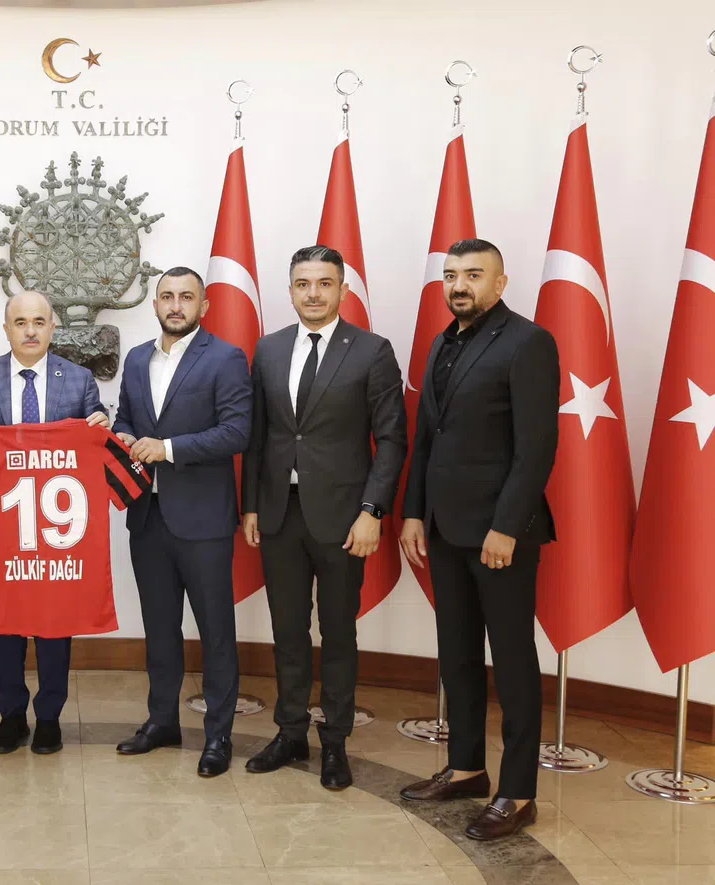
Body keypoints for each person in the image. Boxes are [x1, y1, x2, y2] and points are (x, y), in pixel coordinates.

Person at [398, 238, 560, 841]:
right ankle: (466, 767)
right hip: (443, 528)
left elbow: (536, 447)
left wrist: (506, 526)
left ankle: (517, 792)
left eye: (472, 274)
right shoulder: (443, 342)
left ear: (500, 282)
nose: (459, 285)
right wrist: (413, 513)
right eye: (450, 275)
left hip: (500, 534)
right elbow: (427, 439)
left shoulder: (528, 342)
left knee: (512, 660)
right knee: (457, 653)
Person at [241, 245, 406, 789]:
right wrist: (250, 505)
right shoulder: (268, 349)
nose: (313, 294)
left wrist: (372, 510)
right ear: (291, 290)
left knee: (337, 633)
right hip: (279, 514)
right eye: (303, 284)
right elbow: (260, 435)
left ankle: (335, 741)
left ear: (342, 290)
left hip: (344, 518)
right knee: (288, 631)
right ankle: (290, 733)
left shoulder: (372, 351)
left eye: (324, 283)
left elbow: (391, 439)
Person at [0, 290, 108, 755]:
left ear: (53, 327)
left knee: (55, 625)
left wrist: (101, 429)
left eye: (38, 322)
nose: (30, 331)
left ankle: (50, 716)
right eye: (20, 322)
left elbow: (96, 445)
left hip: (56, 533)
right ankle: (11, 715)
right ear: (7, 329)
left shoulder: (78, 380)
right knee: (5, 625)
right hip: (0, 531)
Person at [110, 266, 252, 778]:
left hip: (204, 520)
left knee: (215, 632)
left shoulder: (226, 358)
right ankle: (162, 722)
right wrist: (125, 436)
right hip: (147, 517)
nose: (175, 305)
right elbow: (126, 418)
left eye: (186, 297)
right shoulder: (136, 358)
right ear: (155, 304)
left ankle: (218, 735)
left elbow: (237, 431)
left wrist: (167, 448)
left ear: (203, 305)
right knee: (159, 628)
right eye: (167, 296)